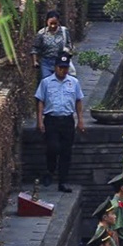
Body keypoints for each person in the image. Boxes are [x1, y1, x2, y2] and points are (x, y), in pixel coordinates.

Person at [39, 54, 90, 191]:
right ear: (55, 67)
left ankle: (63, 181)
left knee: (66, 152)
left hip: (67, 120)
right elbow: (40, 101)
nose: (63, 70)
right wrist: (40, 121)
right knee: (53, 147)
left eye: (65, 68)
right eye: (61, 68)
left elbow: (78, 101)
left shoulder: (73, 82)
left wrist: (80, 120)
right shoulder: (46, 82)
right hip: (51, 119)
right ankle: (50, 169)